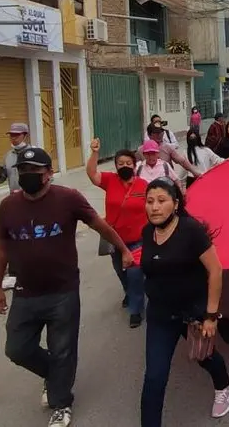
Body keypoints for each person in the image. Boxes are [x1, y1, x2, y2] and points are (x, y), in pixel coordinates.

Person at [0, 148, 133, 427]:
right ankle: (54, 376)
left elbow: (99, 225)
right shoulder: (8, 206)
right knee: (17, 349)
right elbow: (1, 245)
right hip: (26, 292)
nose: (28, 176)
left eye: (35, 172)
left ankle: (61, 403)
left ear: (49, 175)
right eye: (23, 171)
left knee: (63, 350)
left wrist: (123, 249)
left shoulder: (68, 199)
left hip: (62, 292)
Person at [140, 177, 229, 425]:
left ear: (176, 203)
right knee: (154, 378)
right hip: (160, 315)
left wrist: (210, 316)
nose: (154, 207)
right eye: (149, 201)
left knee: (206, 357)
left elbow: (215, 270)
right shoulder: (147, 231)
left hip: (192, 313)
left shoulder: (191, 230)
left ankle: (224, 386)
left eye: (161, 201)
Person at [86, 139, 149, 328]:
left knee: (135, 274)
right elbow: (91, 173)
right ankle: (129, 293)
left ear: (135, 164)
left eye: (128, 163)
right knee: (121, 272)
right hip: (114, 240)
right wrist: (95, 152)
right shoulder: (109, 181)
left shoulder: (144, 185)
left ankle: (136, 310)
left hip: (138, 240)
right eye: (120, 164)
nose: (124, 166)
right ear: (115, 166)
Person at [0, 122, 34, 290]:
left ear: (25, 135)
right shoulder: (8, 156)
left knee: (32, 236)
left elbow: (46, 177)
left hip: (32, 200)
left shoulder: (34, 153)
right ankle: (15, 272)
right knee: (14, 237)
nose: (13, 138)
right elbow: (1, 179)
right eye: (11, 135)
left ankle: (34, 269)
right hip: (15, 202)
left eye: (17, 135)